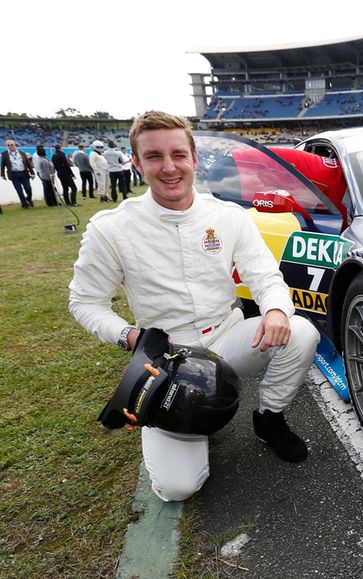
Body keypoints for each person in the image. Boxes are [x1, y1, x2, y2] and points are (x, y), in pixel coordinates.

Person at [69, 110, 321, 503]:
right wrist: (129, 336)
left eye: (178, 155)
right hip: (170, 359)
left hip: (226, 335)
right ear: (137, 162)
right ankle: (196, 418)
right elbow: (85, 302)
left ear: (193, 158)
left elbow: (266, 277)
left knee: (301, 331)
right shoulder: (110, 228)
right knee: (177, 488)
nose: (168, 167)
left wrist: (274, 310)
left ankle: (269, 418)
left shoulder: (227, 216)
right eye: (154, 157)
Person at [1, 139, 35, 208]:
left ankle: (28, 199)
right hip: (14, 174)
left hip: (24, 173)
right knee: (19, 190)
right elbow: (2, 165)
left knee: (28, 189)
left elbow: (28, 163)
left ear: (15, 145)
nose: (10, 146)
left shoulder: (22, 153)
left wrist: (32, 173)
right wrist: (2, 174)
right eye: (8, 145)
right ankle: (25, 204)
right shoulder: (4, 154)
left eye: (12, 145)